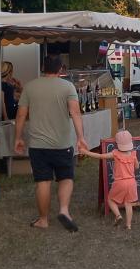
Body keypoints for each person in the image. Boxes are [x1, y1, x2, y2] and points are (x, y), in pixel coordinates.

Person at [14, 55, 86, 232]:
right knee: (66, 178)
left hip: (38, 146)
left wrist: (18, 137)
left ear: (42, 67)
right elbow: (75, 113)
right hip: (62, 144)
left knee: (43, 182)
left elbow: (21, 115)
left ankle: (43, 220)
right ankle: (64, 210)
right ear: (61, 68)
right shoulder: (68, 86)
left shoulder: (30, 86)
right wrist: (81, 137)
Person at [81, 130, 138, 230]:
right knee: (128, 204)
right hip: (132, 182)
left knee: (110, 200)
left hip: (120, 182)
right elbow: (137, 167)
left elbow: (100, 156)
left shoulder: (115, 154)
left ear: (117, 143)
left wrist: (86, 152)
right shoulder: (133, 154)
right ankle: (128, 225)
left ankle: (118, 216)